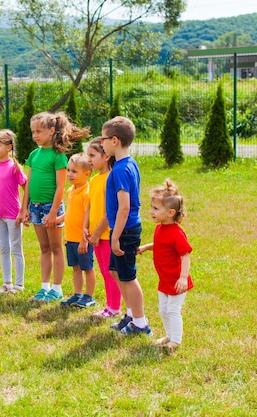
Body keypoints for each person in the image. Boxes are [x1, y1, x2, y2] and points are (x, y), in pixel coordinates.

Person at [20, 112, 90, 302]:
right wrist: (24, 208)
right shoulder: (34, 155)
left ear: (52, 131)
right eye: (33, 132)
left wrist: (52, 212)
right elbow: (28, 183)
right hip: (34, 208)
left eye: (39, 131)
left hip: (51, 208)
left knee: (55, 247)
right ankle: (44, 287)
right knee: (44, 248)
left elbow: (61, 186)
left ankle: (57, 288)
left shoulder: (58, 156)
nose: (35, 136)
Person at [100, 116, 151, 336]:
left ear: (114, 140)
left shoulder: (121, 169)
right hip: (123, 229)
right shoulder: (128, 164)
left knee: (128, 276)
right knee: (115, 270)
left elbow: (124, 207)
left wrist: (115, 236)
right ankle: (130, 314)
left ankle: (141, 324)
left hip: (125, 230)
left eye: (102, 139)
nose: (100, 143)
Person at [138, 180, 193, 350]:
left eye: (156, 209)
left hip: (176, 281)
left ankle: (175, 340)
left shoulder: (176, 233)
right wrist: (147, 247)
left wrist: (183, 278)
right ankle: (169, 335)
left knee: (172, 310)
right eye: (152, 207)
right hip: (165, 280)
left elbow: (185, 255)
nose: (151, 212)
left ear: (170, 212)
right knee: (163, 310)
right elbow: (161, 245)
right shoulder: (160, 228)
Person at [0, 129, 28, 294]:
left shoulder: (15, 167)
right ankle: (7, 282)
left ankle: (19, 284)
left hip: (13, 215)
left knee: (16, 248)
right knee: (3, 248)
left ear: (9, 147)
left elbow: (26, 189)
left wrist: (23, 211)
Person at [84, 137, 122, 319]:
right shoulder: (93, 179)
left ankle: (115, 307)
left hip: (106, 235)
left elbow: (110, 211)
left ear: (106, 156)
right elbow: (90, 205)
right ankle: (109, 306)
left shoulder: (110, 179)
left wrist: (98, 232)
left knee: (110, 273)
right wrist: (86, 226)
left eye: (92, 155)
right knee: (104, 272)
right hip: (95, 235)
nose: (88, 159)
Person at [59, 153, 97, 308]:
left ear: (87, 174)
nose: (69, 174)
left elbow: (88, 219)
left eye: (74, 171)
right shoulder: (70, 191)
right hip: (70, 238)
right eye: (69, 170)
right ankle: (78, 294)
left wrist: (84, 240)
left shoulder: (87, 194)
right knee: (75, 268)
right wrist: (57, 219)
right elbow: (70, 213)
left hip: (82, 240)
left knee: (87, 268)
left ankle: (89, 296)